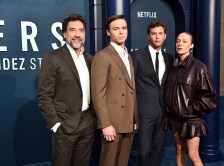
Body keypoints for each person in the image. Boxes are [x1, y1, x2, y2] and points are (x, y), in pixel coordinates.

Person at [37, 13, 96, 166]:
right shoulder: (52, 58)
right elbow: (44, 96)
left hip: (87, 123)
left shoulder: (90, 59)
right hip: (64, 125)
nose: (77, 35)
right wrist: (56, 125)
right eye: (72, 30)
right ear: (64, 33)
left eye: (81, 30)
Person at [91, 14, 139, 166]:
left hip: (128, 120)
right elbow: (98, 94)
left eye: (123, 28)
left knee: (122, 162)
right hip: (112, 122)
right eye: (116, 29)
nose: (121, 32)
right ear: (108, 32)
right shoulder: (102, 56)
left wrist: (135, 118)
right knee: (108, 162)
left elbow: (132, 91)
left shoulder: (129, 56)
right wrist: (105, 124)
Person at [165, 32, 218, 166]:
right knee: (179, 151)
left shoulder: (199, 68)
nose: (180, 44)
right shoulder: (173, 66)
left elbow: (210, 99)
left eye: (184, 41)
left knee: (193, 155)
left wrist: (191, 109)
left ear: (191, 45)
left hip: (191, 120)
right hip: (175, 119)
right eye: (178, 41)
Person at [130, 21, 173, 166]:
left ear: (165, 36)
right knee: (143, 150)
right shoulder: (137, 56)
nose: (157, 37)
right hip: (144, 110)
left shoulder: (169, 58)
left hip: (162, 111)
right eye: (154, 34)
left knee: (158, 149)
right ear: (148, 36)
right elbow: (130, 85)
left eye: (160, 34)